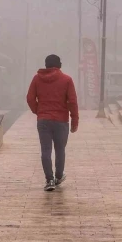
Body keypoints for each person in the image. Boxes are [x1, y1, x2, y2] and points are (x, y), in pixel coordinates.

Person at [27, 55, 79, 191]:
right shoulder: (67, 80)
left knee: (46, 150)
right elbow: (72, 102)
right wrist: (75, 120)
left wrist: (38, 111)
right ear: (59, 65)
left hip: (43, 120)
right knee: (60, 149)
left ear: (46, 65)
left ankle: (49, 179)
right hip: (61, 121)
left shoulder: (37, 79)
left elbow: (30, 98)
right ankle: (59, 176)